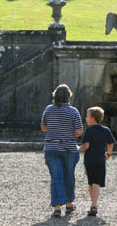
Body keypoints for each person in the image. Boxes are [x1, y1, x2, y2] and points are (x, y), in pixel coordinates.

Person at [41, 84, 84, 217]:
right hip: (69, 149)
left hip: (52, 148)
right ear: (68, 96)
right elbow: (79, 131)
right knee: (69, 176)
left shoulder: (48, 109)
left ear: (54, 96)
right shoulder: (73, 111)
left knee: (56, 177)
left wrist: (55, 131)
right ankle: (69, 205)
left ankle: (57, 207)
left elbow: (43, 128)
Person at [79, 106, 115, 217]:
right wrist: (108, 154)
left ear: (93, 118)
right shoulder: (106, 130)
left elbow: (86, 145)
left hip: (89, 160)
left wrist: (77, 149)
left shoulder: (89, 130)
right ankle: (94, 205)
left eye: (87, 116)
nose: (86, 118)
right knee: (96, 183)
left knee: (91, 182)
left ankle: (93, 204)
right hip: (100, 160)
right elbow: (110, 143)